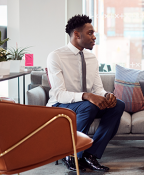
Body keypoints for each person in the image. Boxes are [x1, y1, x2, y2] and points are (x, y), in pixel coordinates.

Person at [46, 14, 125, 172]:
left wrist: (106, 95)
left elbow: (97, 88)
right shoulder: (56, 56)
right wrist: (87, 96)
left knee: (118, 106)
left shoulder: (91, 58)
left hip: (87, 104)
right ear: (76, 34)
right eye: (90, 33)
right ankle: (72, 154)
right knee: (88, 106)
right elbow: (60, 93)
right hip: (61, 104)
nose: (94, 37)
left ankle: (91, 154)